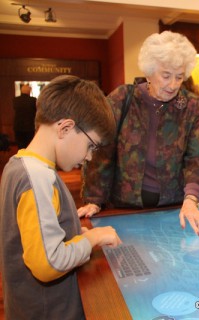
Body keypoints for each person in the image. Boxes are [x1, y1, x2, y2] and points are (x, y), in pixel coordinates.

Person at [0, 75, 122, 319]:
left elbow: (37, 234)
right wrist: (94, 237)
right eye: (91, 145)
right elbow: (49, 262)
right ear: (65, 128)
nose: (89, 157)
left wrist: (80, 235)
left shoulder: (18, 165)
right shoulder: (37, 178)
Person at [78, 31, 199, 236]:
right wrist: (95, 200)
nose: (173, 85)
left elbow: (197, 158)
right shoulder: (123, 98)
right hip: (124, 207)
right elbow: (102, 151)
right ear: (149, 72)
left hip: (173, 208)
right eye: (166, 75)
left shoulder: (192, 106)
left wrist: (191, 200)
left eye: (179, 77)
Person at [13, 83, 37, 149]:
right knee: (29, 146)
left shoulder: (15, 100)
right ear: (29, 91)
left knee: (20, 146)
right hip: (30, 127)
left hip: (18, 126)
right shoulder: (33, 100)